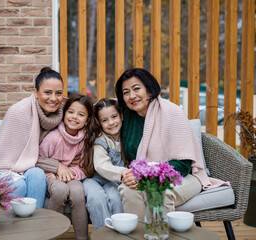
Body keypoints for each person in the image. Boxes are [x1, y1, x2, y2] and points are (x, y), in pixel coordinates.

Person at [115, 68, 229, 219]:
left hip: (182, 176)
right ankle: (137, 235)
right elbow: (100, 110)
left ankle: (159, 235)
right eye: (126, 92)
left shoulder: (172, 112)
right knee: (127, 190)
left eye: (136, 89)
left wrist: (144, 175)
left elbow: (183, 165)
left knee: (159, 191)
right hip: (141, 176)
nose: (132, 96)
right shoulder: (127, 115)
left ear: (149, 90)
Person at [0, 67, 66, 208]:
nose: (53, 98)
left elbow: (86, 110)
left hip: (28, 168)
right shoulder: (19, 112)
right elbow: (24, 157)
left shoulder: (65, 112)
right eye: (47, 92)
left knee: (37, 176)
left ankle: (35, 224)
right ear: (35, 92)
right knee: (18, 185)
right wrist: (56, 166)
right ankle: (13, 228)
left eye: (58, 93)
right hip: (0, 168)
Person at [39, 93, 97, 240]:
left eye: (81, 114)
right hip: (51, 176)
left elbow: (84, 167)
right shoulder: (53, 138)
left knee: (78, 191)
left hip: (72, 176)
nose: (74, 117)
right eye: (70, 112)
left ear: (87, 120)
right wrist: (54, 170)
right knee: (60, 190)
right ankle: (51, 235)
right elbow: (38, 159)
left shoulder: (86, 139)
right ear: (64, 114)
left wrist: (68, 173)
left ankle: (82, 237)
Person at [83, 98, 127, 229]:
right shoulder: (100, 140)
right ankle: (102, 234)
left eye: (114, 117)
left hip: (112, 181)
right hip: (93, 179)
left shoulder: (126, 136)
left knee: (115, 197)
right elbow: (101, 165)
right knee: (96, 198)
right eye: (105, 120)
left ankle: (120, 232)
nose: (111, 123)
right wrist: (124, 172)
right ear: (99, 123)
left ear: (121, 116)